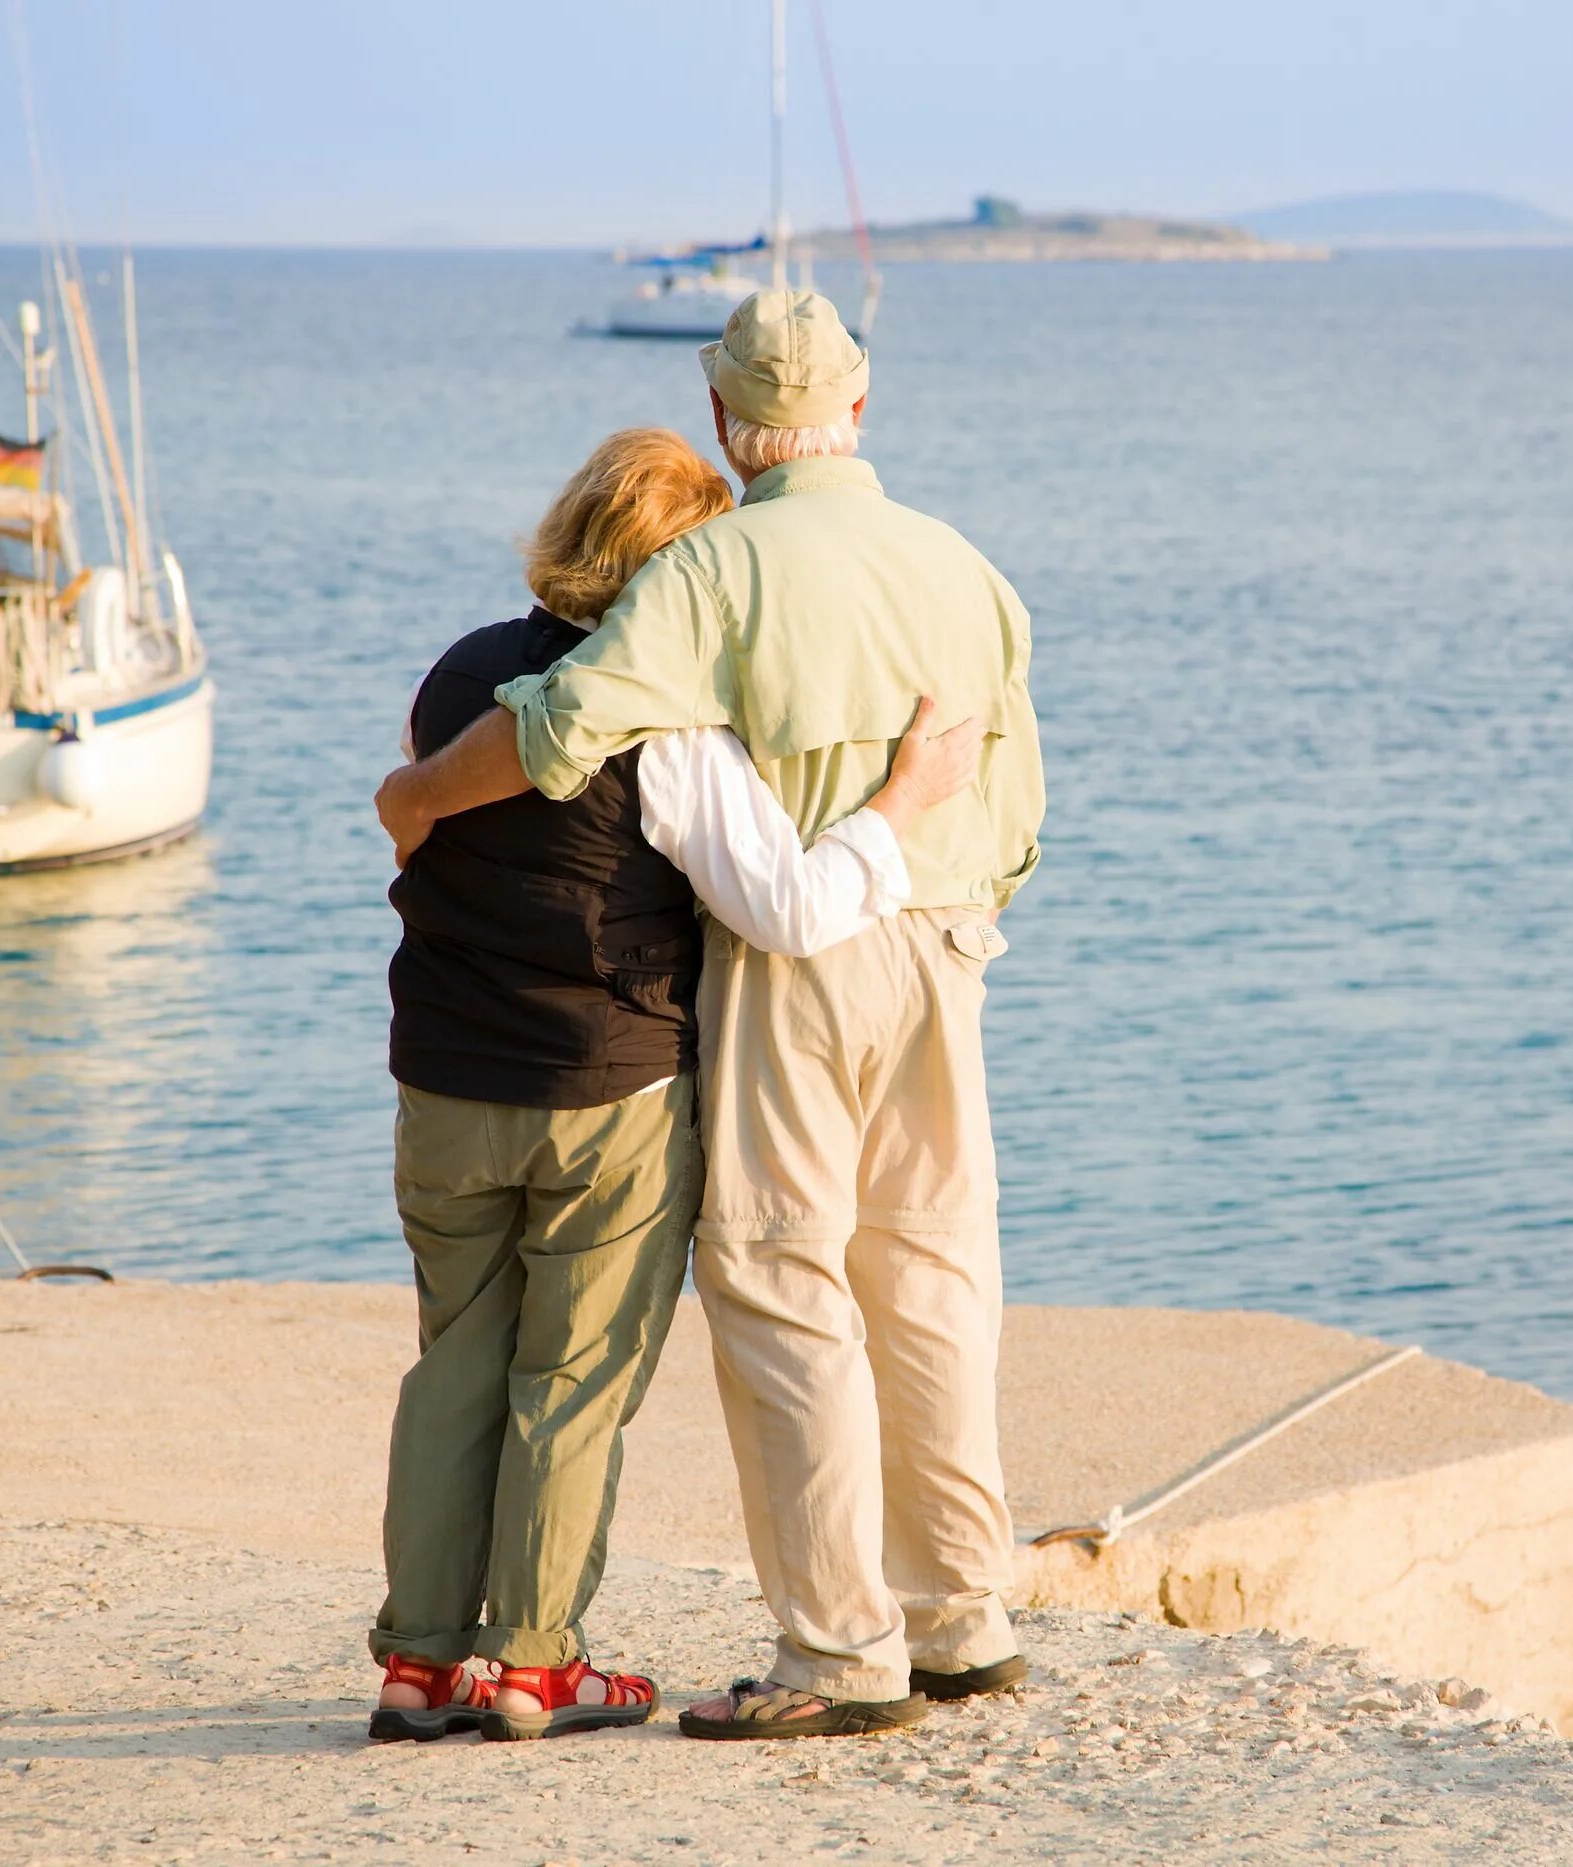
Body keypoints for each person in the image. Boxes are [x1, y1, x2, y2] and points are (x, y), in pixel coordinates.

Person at [375, 291, 1045, 1741]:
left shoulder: (714, 568)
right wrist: (957, 903)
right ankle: (965, 1617)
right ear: (861, 408)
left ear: (735, 426)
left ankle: (840, 1652)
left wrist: (420, 795)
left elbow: (566, 725)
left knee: (784, 1288)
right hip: (948, 944)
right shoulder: (968, 569)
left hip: (803, 956)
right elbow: (1021, 806)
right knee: (933, 1277)